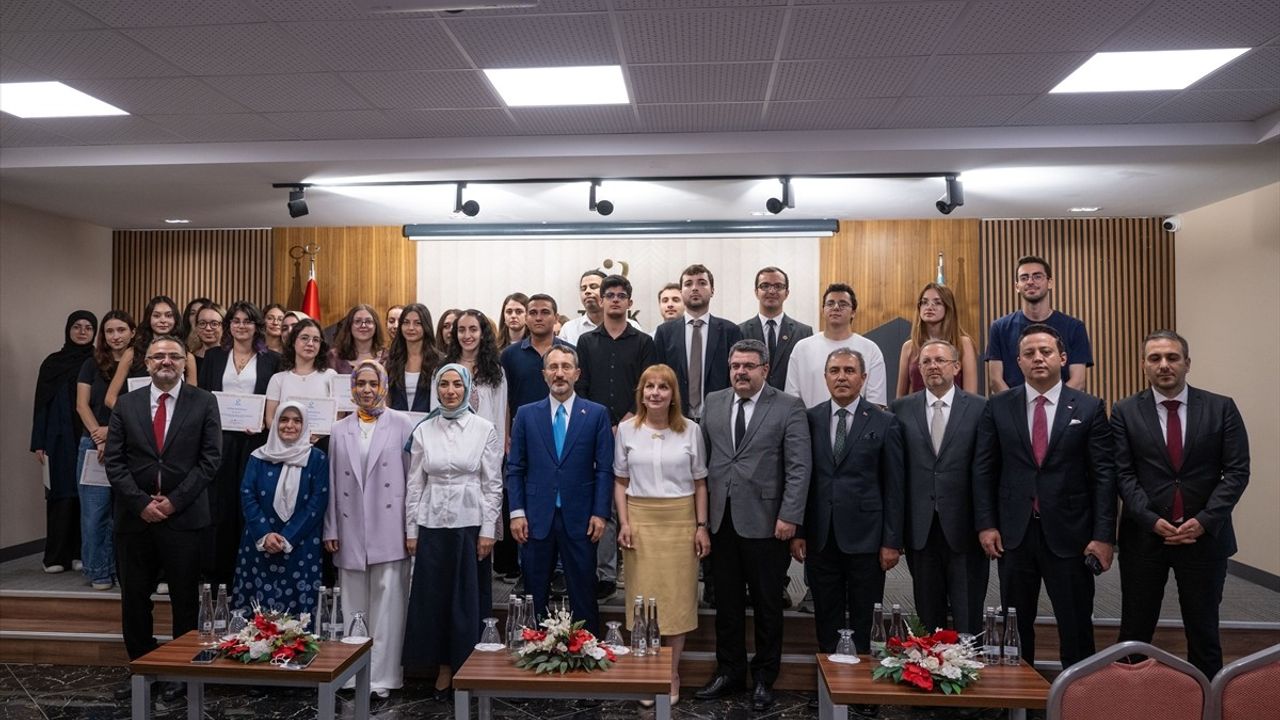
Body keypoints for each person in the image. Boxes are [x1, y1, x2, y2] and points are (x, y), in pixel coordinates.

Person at [974, 323, 1116, 670]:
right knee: (1014, 628)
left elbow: (1103, 477)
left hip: (1070, 534)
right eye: (1029, 354)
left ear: (1063, 358)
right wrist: (986, 525)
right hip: (1014, 534)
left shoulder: (1088, 407)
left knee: (1076, 624)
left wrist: (1103, 536)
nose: (1038, 358)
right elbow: (984, 470)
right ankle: (1017, 704)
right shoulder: (998, 406)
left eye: (1046, 351)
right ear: (1018, 362)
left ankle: (1079, 700)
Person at [1113, 330, 1250, 679]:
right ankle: (1129, 705)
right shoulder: (1125, 411)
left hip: (1204, 539)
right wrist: (1150, 519)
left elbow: (1236, 471)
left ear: (1187, 363)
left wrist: (1204, 521)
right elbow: (1123, 473)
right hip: (1145, 539)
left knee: (1204, 633)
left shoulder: (1222, 408)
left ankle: (1208, 705)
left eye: (1172, 358)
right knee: (1134, 632)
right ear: (1144, 365)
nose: (1164, 365)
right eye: (1155, 358)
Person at [694, 339, 810, 712]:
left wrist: (790, 515)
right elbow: (704, 461)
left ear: (766, 369)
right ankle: (729, 672)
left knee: (767, 605)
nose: (740, 372)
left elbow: (798, 467)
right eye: (735, 366)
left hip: (768, 523)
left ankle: (764, 677)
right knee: (725, 604)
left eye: (748, 365)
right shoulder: (713, 402)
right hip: (721, 520)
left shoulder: (788, 406)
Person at [104, 335, 221, 702]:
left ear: (185, 362)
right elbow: (115, 461)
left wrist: (172, 502)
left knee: (185, 600)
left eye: (174, 356)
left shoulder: (204, 402)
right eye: (158, 357)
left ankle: (180, 673)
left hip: (183, 519)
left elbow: (210, 460)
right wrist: (141, 503)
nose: (166, 361)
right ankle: (143, 670)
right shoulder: (126, 404)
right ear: (147, 363)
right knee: (135, 599)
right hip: (135, 519)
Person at [794, 348, 903, 666]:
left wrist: (892, 541)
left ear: (863, 378)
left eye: (849, 371)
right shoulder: (809, 419)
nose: (842, 377)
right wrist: (799, 530)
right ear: (825, 377)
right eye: (835, 370)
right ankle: (828, 683)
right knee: (825, 613)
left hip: (867, 537)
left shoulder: (885, 422)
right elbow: (802, 479)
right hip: (821, 534)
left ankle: (865, 686)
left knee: (865, 613)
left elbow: (894, 487)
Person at [403, 364, 503, 700]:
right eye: (443, 384)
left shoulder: (484, 428)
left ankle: (467, 667)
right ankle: (442, 668)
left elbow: (493, 485)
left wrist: (489, 530)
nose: (449, 391)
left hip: (469, 524)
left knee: (466, 601)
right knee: (434, 600)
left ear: (467, 388)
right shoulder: (423, 430)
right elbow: (414, 484)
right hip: (431, 523)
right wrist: (411, 530)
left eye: (456, 384)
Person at [614, 363, 709, 705]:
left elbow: (700, 483)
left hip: (680, 521)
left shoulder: (690, 430)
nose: (655, 392)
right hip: (640, 520)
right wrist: (624, 523)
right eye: (649, 386)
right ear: (641, 393)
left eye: (663, 387)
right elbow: (620, 481)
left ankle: (670, 673)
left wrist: (701, 526)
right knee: (643, 599)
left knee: (677, 600)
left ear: (673, 395)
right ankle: (646, 671)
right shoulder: (626, 430)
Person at [506, 346, 614, 633]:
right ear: (544, 375)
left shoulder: (596, 414)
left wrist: (601, 513)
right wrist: (516, 513)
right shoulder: (526, 415)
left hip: (581, 518)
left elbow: (604, 468)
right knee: (534, 592)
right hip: (535, 517)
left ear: (577, 373)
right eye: (553, 367)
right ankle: (535, 651)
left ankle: (587, 652)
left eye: (566, 366)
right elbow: (515, 467)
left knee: (583, 591)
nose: (559, 373)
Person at [324, 361, 415, 699]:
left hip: (390, 527)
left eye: (372, 383)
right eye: (360, 383)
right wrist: (331, 526)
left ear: (383, 385)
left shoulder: (402, 423)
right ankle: (351, 674)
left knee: (389, 606)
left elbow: (412, 481)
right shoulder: (339, 428)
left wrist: (411, 529)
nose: (365, 389)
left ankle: (383, 678)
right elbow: (334, 481)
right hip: (350, 527)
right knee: (353, 605)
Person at [890, 339, 987, 635]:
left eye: (940, 360)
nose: (933, 366)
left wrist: (987, 524)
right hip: (920, 529)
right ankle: (929, 674)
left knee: (968, 615)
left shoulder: (981, 408)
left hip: (966, 527)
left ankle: (970, 673)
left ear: (956, 367)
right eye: (926, 361)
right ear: (918, 368)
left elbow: (985, 471)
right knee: (927, 614)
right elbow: (897, 474)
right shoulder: (901, 409)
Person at [575, 274, 657, 599]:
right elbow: (581, 387)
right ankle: (605, 573)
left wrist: (623, 420)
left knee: (631, 499)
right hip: (594, 430)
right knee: (602, 500)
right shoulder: (586, 342)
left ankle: (634, 568)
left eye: (621, 295)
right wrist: (600, 422)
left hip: (634, 429)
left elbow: (648, 385)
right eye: (610, 294)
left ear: (629, 302)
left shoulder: (643, 342)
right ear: (603, 299)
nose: (615, 300)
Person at [197, 301, 281, 588]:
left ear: (257, 326)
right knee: (219, 507)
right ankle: (216, 575)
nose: (241, 325)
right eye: (236, 320)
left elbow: (274, 403)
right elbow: (204, 399)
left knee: (249, 505)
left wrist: (260, 424)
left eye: (247, 321)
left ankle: (247, 574)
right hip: (219, 442)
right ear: (229, 325)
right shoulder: (213, 357)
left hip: (254, 441)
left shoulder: (272, 360)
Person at [231, 402, 328, 617]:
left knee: (298, 618)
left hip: (300, 544)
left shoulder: (317, 459)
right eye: (284, 419)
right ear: (274, 423)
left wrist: (287, 538)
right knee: (255, 616)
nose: (289, 425)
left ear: (305, 425)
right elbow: (248, 494)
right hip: (259, 543)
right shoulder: (258, 456)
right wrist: (265, 535)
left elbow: (317, 502)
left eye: (297, 420)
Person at [76, 310, 140, 589]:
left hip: (131, 443)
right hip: (93, 443)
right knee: (95, 512)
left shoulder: (141, 366)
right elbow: (82, 405)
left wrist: (113, 434)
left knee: (128, 512)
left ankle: (126, 570)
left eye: (121, 330)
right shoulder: (90, 363)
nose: (115, 336)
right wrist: (100, 438)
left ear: (133, 332)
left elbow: (142, 411)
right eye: (110, 331)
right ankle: (99, 569)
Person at [32, 310, 97, 574]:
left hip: (89, 436)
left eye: (88, 328)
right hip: (58, 438)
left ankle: (80, 553)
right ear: (68, 330)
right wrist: (39, 442)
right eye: (77, 327)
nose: (82, 332)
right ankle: (56, 555)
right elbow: (41, 405)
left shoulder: (97, 361)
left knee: (88, 496)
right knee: (61, 496)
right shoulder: (52, 363)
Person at [985, 255, 1093, 393]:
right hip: (1014, 411)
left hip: (1061, 411)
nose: (1030, 281)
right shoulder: (999, 328)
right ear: (1017, 286)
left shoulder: (1075, 327)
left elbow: (1078, 381)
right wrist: (1016, 409)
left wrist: (1050, 406)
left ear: (1050, 283)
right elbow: (995, 380)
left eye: (1037, 276)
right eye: (1024, 278)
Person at [653, 264, 744, 421]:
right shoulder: (664, 332)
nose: (695, 288)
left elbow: (736, 377)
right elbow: (658, 377)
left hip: (720, 418)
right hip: (675, 418)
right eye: (688, 284)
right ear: (681, 292)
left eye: (702, 283)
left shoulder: (730, 331)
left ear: (712, 290)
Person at [785, 283, 887, 407]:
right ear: (823, 310)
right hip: (810, 424)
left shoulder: (871, 349)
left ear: (853, 312)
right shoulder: (802, 348)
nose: (836, 307)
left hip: (859, 425)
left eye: (843, 304)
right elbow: (792, 400)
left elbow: (876, 403)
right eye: (830, 303)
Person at [106, 296, 198, 409]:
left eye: (168, 315)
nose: (163, 320)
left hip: (175, 422)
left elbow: (193, 400)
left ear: (175, 320)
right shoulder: (132, 353)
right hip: (138, 421)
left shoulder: (187, 356)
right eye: (156, 315)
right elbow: (110, 399)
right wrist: (130, 418)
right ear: (148, 319)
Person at [896, 283, 978, 397]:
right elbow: (900, 398)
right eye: (924, 302)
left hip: (956, 412)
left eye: (937, 303)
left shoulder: (963, 344)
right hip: (918, 412)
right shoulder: (909, 347)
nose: (929, 307)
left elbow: (971, 396)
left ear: (948, 308)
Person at [738, 267, 813, 391]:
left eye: (778, 286)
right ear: (756, 292)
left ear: (787, 293)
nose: (772, 291)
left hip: (790, 404)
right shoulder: (740, 331)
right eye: (765, 286)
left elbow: (806, 375)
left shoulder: (804, 332)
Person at [500, 294, 574, 414]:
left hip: (563, 424)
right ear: (526, 317)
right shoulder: (509, 355)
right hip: (522, 427)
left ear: (556, 317)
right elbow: (504, 401)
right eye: (533, 313)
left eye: (545, 312)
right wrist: (506, 432)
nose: (538, 318)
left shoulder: (571, 353)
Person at [264, 319, 337, 428]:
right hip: (285, 441)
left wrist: (318, 435)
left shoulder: (331, 376)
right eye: (304, 338)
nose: (310, 344)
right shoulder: (278, 379)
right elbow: (270, 419)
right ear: (293, 342)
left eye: (316, 340)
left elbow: (338, 416)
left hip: (322, 442)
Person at [560, 269, 643, 345]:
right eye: (583, 288)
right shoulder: (569, 329)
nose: (587, 291)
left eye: (593, 287)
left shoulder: (632, 327)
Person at [385, 303, 440, 412]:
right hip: (398, 424)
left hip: (429, 424)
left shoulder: (439, 361)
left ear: (426, 326)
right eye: (406, 323)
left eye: (417, 323)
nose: (411, 328)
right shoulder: (392, 359)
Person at [328, 304, 386, 375]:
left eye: (368, 321)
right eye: (357, 321)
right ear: (349, 326)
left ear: (376, 326)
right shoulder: (334, 356)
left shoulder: (387, 356)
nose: (363, 325)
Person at [191, 303, 224, 373]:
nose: (208, 328)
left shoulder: (232, 357)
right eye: (202, 323)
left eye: (214, 324)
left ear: (224, 326)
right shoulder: (190, 358)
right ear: (196, 327)